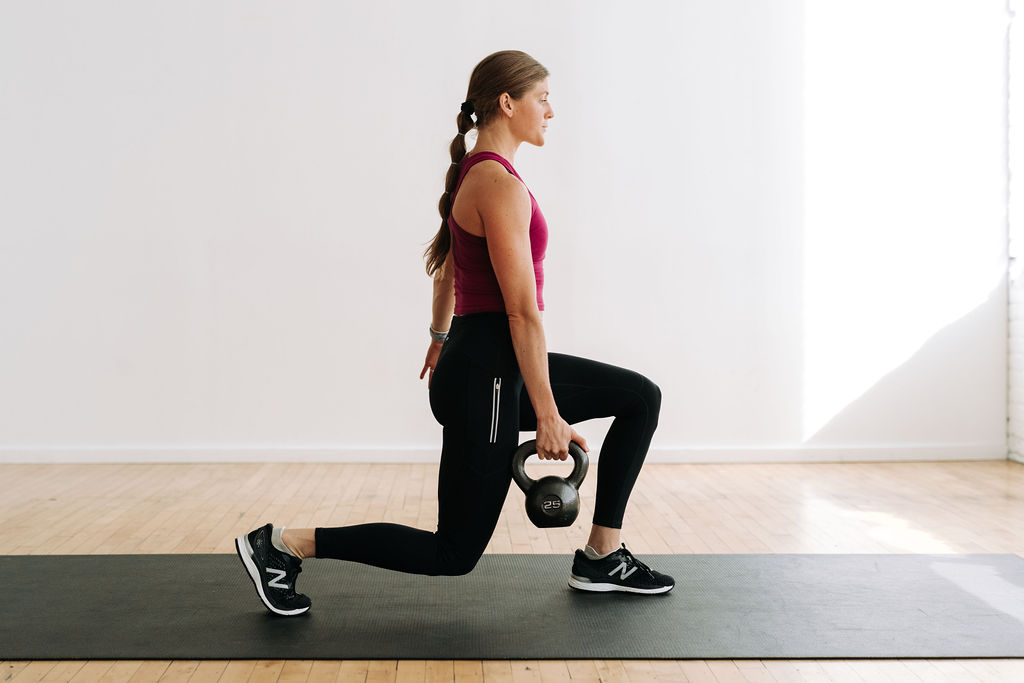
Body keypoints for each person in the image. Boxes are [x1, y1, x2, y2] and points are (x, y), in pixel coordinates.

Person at [235, 50, 674, 616]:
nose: (551, 111)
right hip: (488, 375)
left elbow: (447, 269)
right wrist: (546, 414)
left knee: (640, 397)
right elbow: (521, 312)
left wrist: (440, 339)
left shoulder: (480, 172)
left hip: (486, 365)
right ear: (506, 102)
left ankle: (601, 556)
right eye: (543, 98)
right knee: (454, 551)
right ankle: (283, 546)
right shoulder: (498, 183)